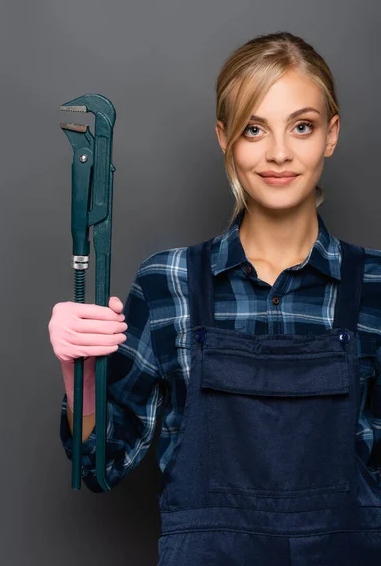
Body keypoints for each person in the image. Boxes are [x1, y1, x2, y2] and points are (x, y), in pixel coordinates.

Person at [48, 31, 381, 564]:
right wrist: (78, 374)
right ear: (225, 137)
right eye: (254, 128)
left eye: (301, 126)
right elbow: (99, 466)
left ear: (331, 134)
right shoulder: (168, 284)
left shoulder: (376, 289)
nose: (278, 152)